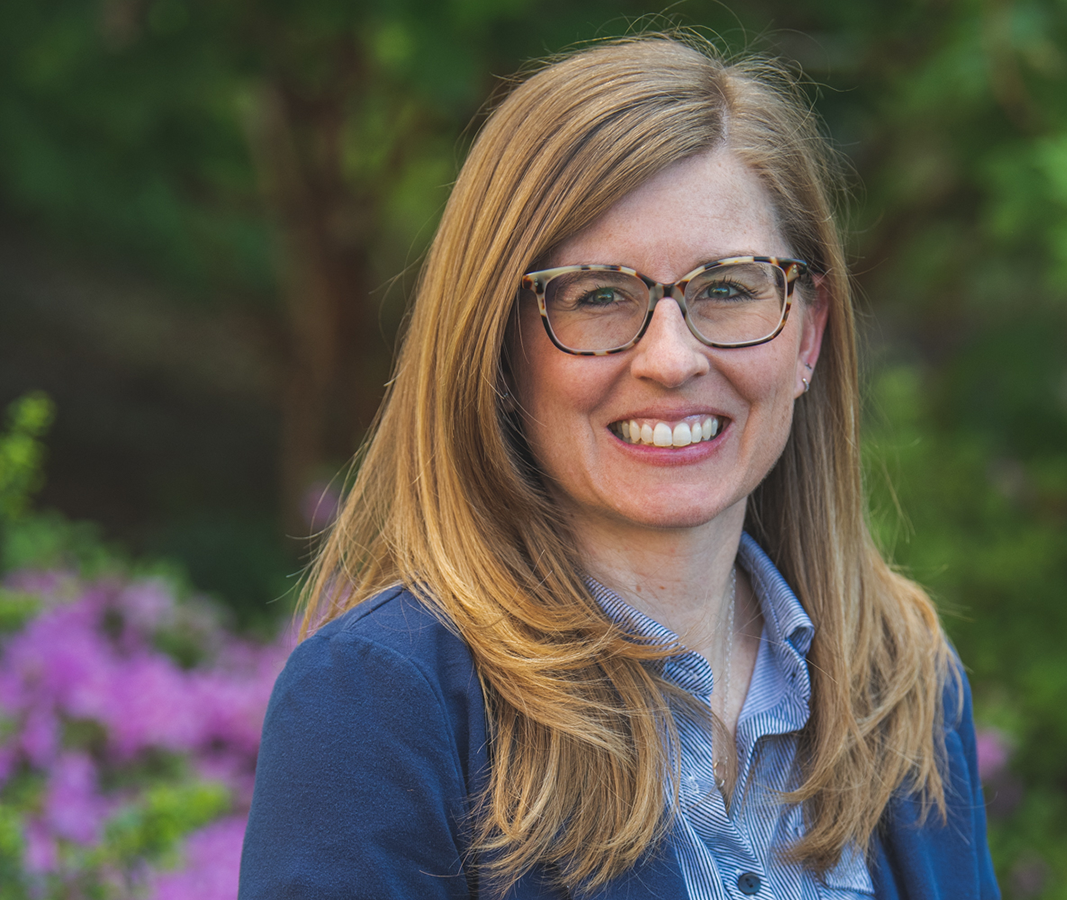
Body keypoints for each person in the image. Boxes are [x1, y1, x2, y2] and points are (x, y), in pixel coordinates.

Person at [238, 35, 1000, 900]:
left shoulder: (900, 683)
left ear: (807, 333)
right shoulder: (383, 702)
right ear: (499, 347)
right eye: (598, 294)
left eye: (728, 287)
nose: (670, 359)